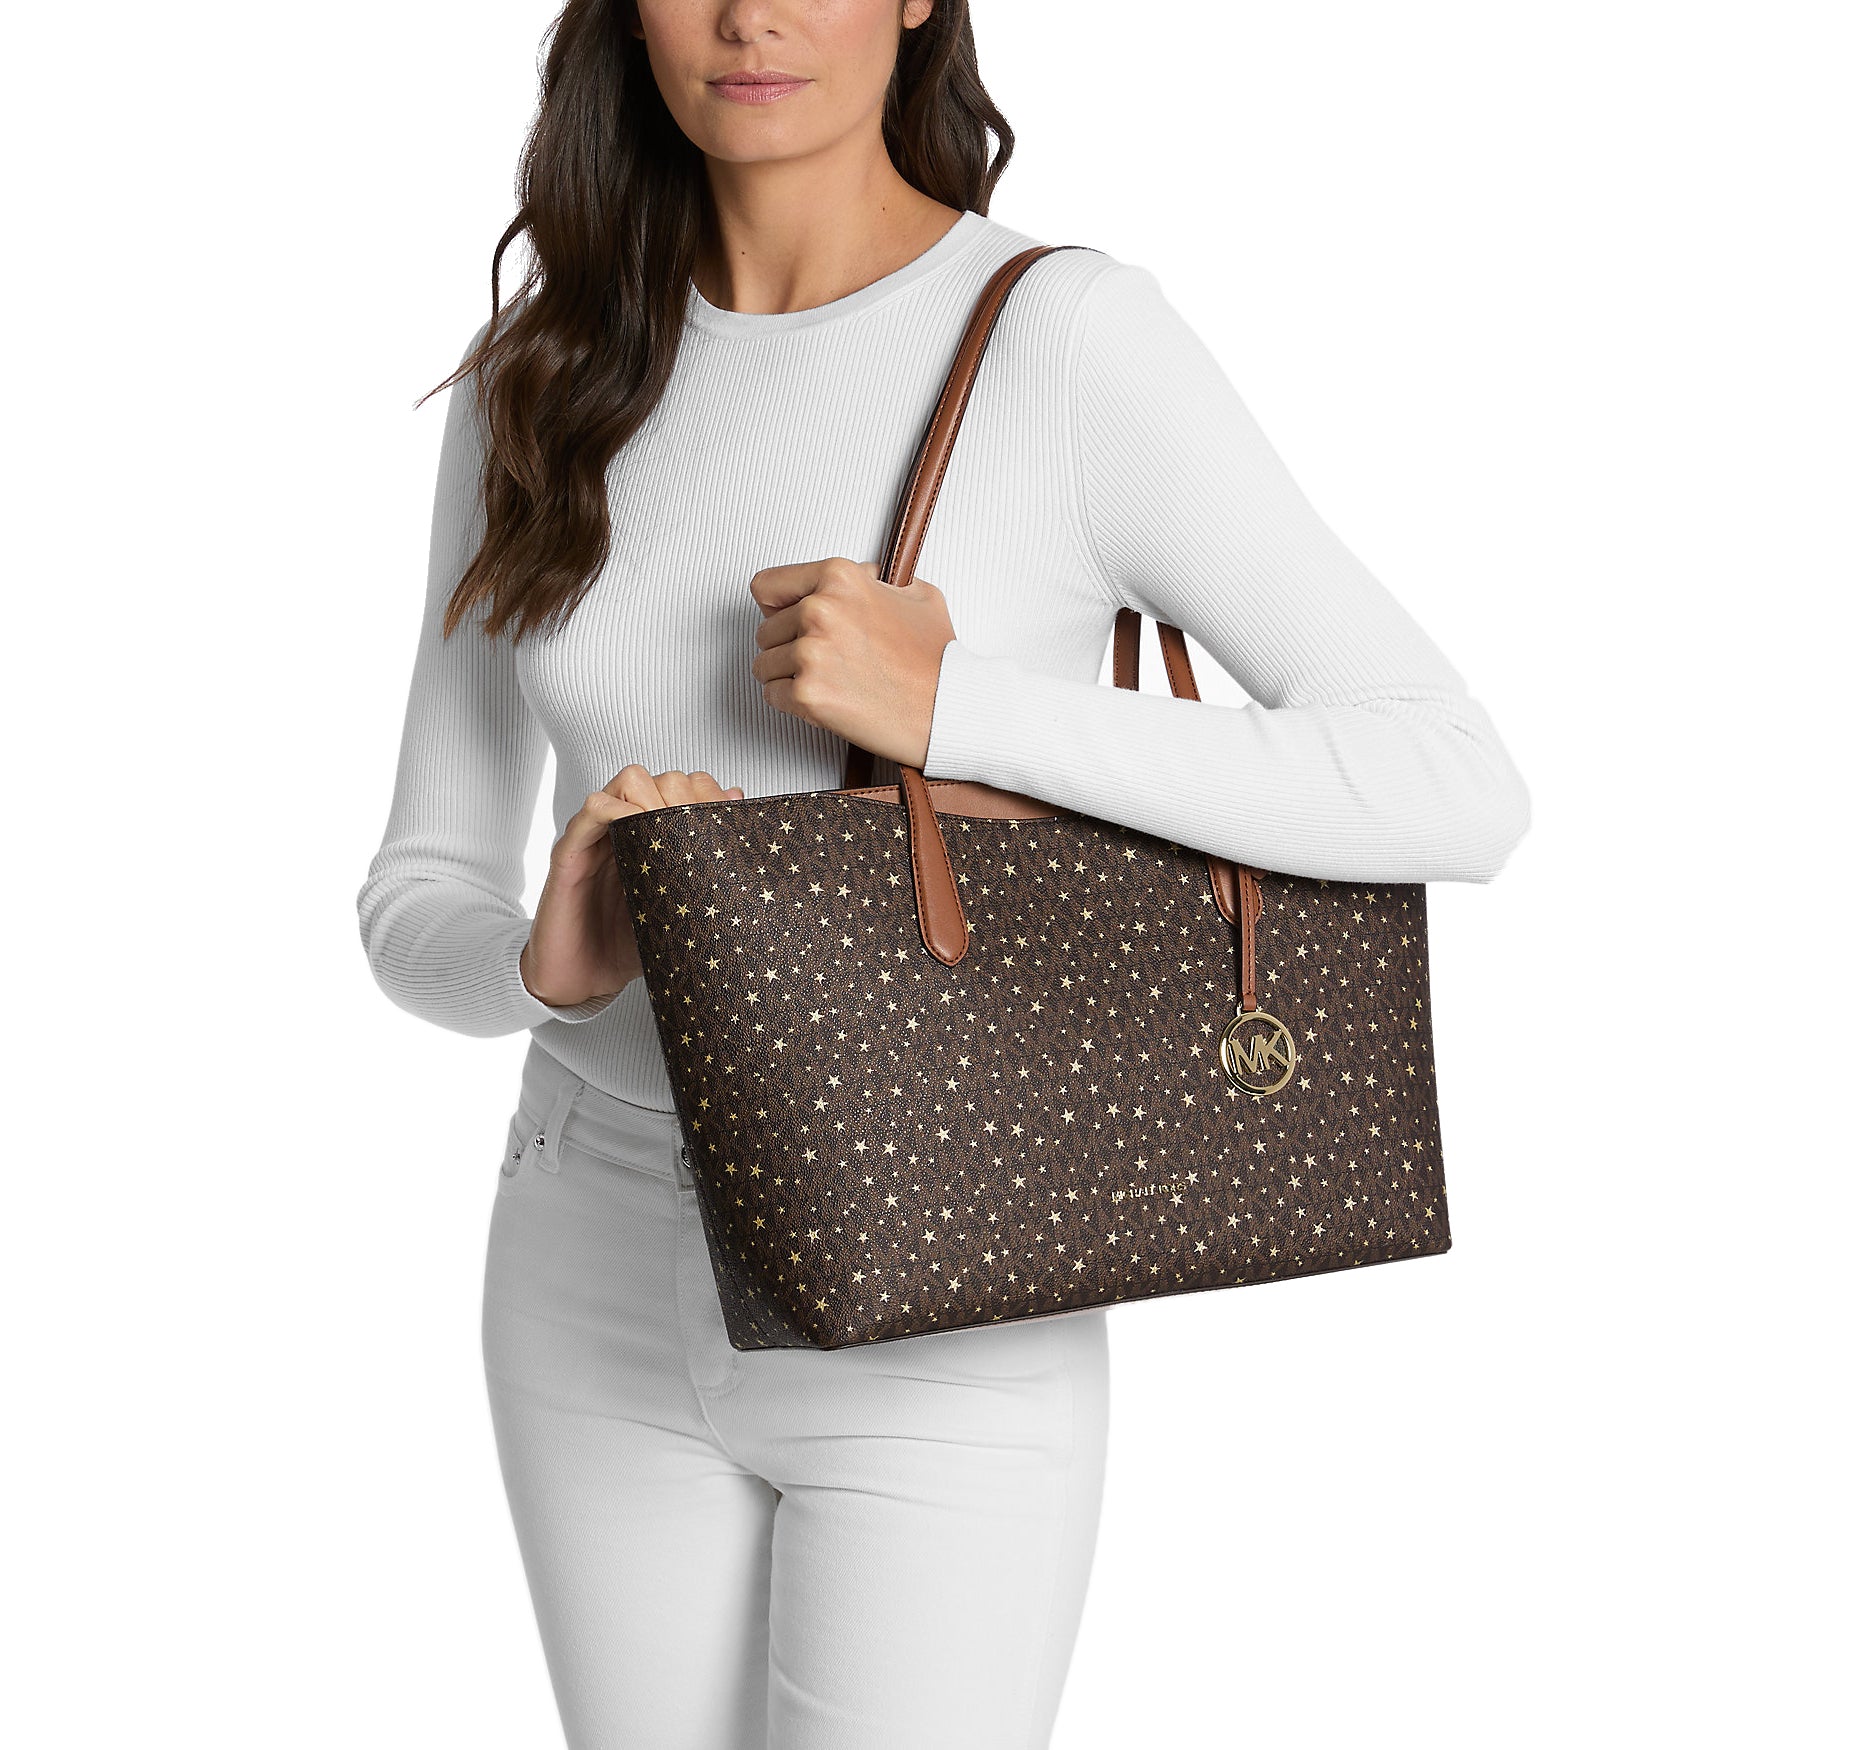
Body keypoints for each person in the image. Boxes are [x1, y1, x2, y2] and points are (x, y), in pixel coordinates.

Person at [354, 2, 1531, 1745]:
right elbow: (415, 887)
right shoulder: (544, 371)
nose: (750, 15)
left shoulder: (1061, 340)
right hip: (583, 1246)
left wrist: (958, 706)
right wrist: (544, 963)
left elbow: (1451, 780)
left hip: (940, 1274)